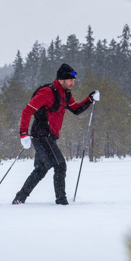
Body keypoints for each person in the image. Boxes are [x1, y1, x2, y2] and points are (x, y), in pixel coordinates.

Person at [13, 63, 100, 205]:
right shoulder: (47, 92)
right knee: (60, 165)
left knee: (41, 169)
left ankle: (19, 198)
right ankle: (61, 201)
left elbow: (76, 109)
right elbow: (27, 111)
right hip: (42, 135)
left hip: (49, 137)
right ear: (61, 79)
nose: (73, 83)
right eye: (70, 80)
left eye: (74, 80)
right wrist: (23, 134)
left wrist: (89, 99)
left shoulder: (65, 94)